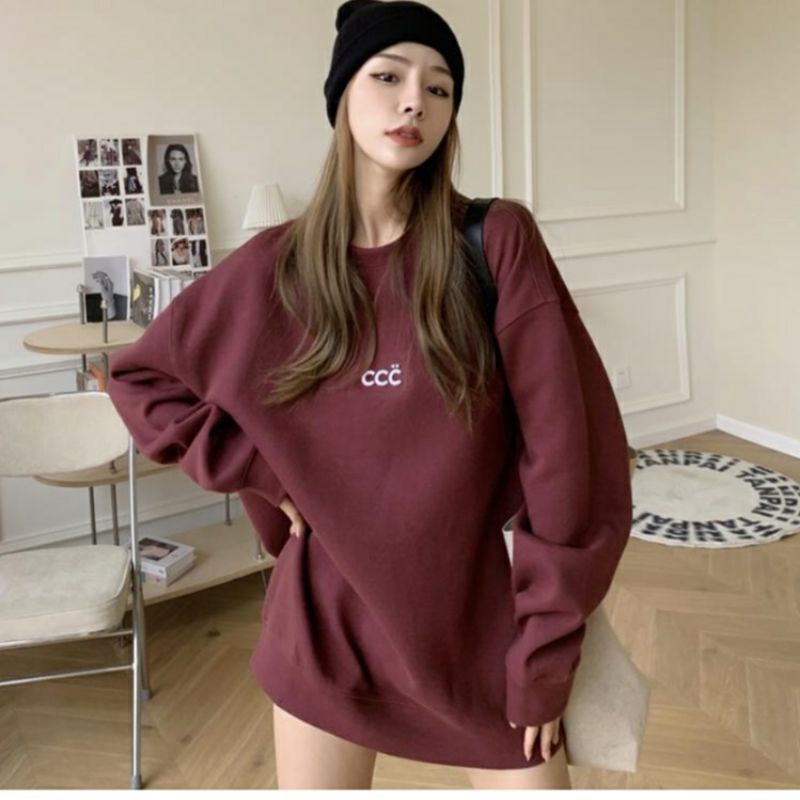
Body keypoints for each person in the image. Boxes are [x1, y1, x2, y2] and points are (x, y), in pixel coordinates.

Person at [106, 0, 632, 790]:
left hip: (479, 634)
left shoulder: (495, 243)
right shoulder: (271, 269)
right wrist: (265, 475)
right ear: (343, 94)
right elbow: (139, 376)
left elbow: (570, 462)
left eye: (439, 87)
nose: (415, 101)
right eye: (388, 77)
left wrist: (546, 657)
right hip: (321, 632)